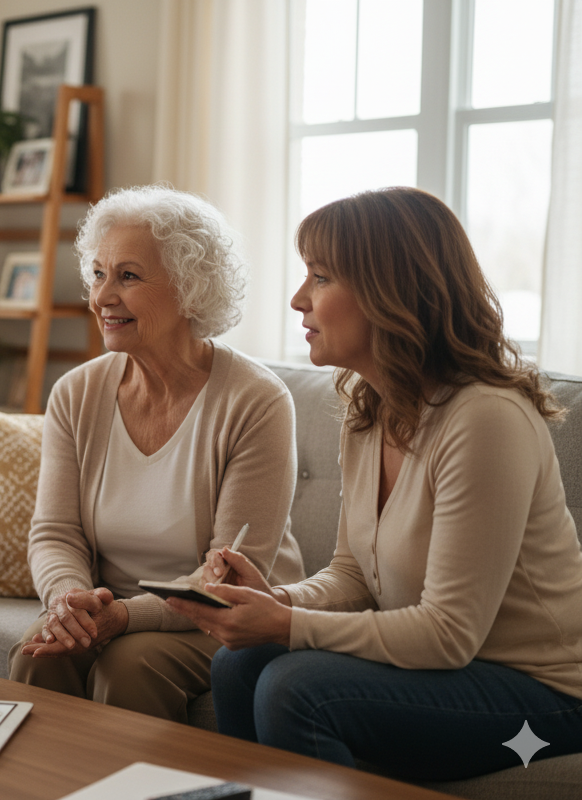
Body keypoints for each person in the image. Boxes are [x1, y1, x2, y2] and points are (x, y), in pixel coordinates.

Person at [170, 186, 582, 780]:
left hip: (546, 699)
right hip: (457, 673)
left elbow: (447, 635)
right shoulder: (371, 409)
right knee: (240, 662)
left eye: (319, 278)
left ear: (391, 292)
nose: (297, 299)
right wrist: (276, 602)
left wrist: (286, 624)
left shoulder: (486, 419)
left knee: (297, 687)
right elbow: (353, 575)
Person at [8, 185, 305, 722]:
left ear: (191, 289)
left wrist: (124, 616)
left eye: (127, 275)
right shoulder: (76, 393)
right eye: (98, 274)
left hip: (221, 617)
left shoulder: (256, 401)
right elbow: (55, 533)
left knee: (131, 665)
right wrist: (67, 601)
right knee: (41, 653)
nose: (101, 297)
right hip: (107, 605)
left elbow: (231, 576)